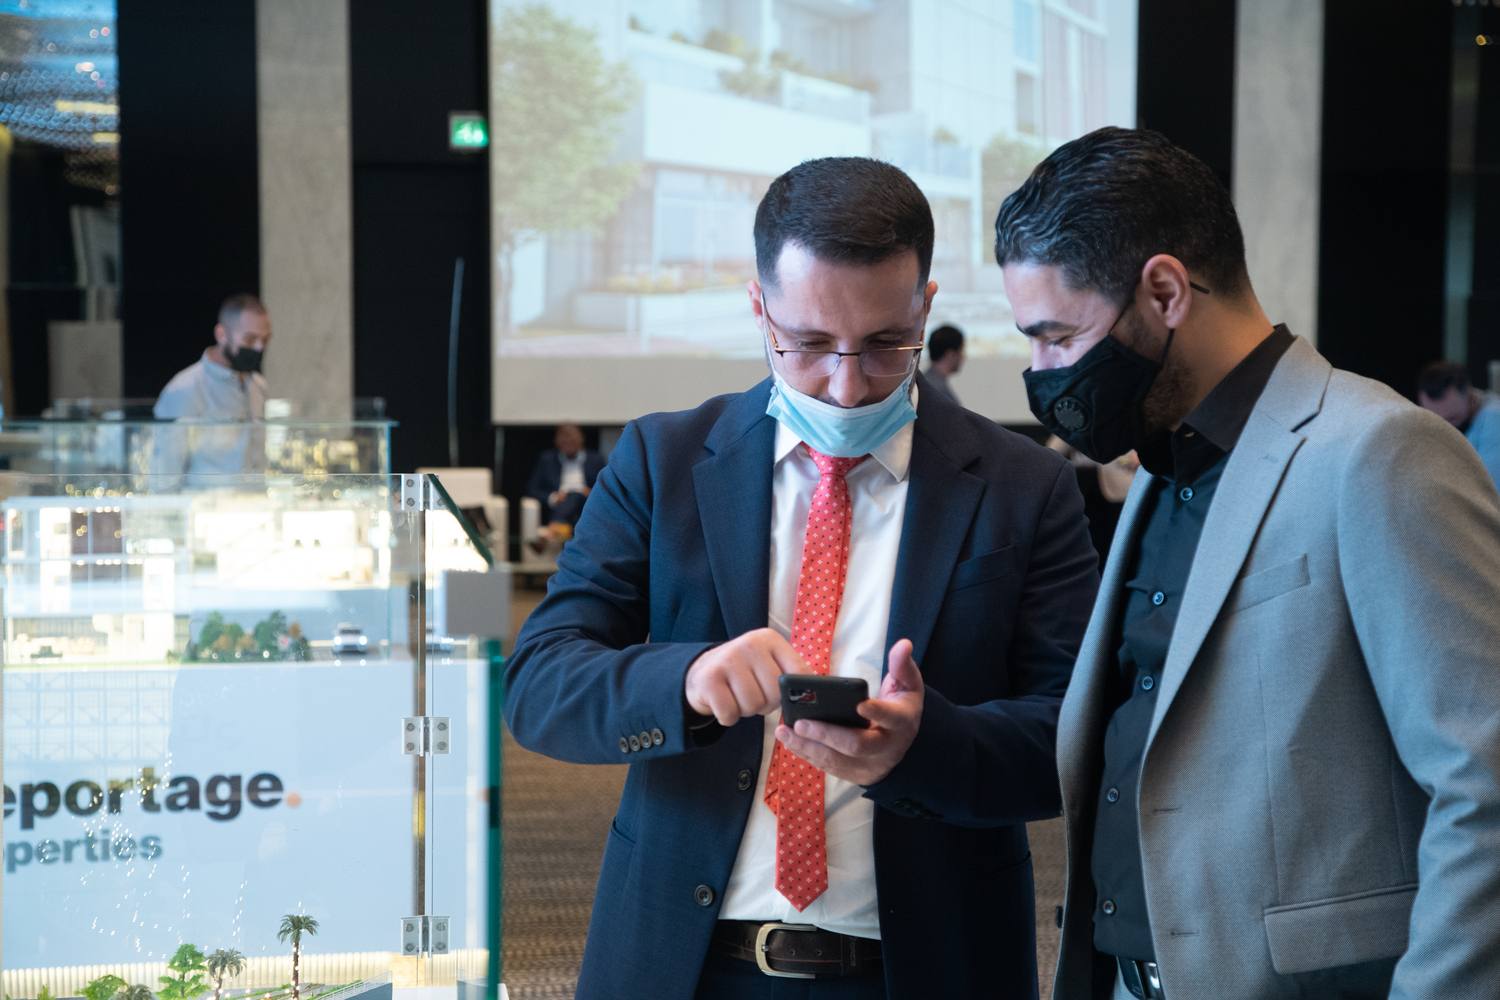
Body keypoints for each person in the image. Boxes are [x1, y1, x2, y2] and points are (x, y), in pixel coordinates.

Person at [504, 157, 1100, 998]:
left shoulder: (1024, 487)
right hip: (684, 964)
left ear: (925, 306)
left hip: (926, 967)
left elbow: (1075, 736)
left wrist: (924, 747)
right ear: (758, 308)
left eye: (887, 344)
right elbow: (539, 683)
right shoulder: (662, 461)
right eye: (810, 344)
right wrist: (687, 682)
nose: (847, 385)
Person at [996, 126, 1500, 1000]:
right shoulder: (1162, 468)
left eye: (1057, 336)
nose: (1042, 373)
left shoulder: (1379, 451)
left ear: (1164, 291)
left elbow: (1484, 783)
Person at [153, 293, 272, 475]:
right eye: (250, 339)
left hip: (255, 492)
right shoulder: (184, 389)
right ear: (221, 334)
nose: (259, 348)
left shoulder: (258, 385)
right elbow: (164, 474)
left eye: (265, 340)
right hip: (204, 494)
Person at [1416, 359, 1500, 486]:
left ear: (1471, 399)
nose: (1443, 428)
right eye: (1433, 419)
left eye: (1452, 419)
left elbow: (1490, 491)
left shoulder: (1495, 421)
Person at [524, 424, 607, 542]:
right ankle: (564, 530)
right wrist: (554, 497)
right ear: (556, 441)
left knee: (575, 495)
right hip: (561, 506)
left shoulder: (596, 459)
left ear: (581, 439)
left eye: (572, 441)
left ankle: (554, 527)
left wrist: (592, 493)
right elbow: (532, 490)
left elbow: (608, 489)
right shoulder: (547, 460)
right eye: (565, 442)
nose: (569, 446)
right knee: (571, 498)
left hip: (586, 505)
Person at [924, 323, 965, 404]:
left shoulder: (920, 383)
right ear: (950, 355)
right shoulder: (940, 394)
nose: (963, 357)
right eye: (961, 351)